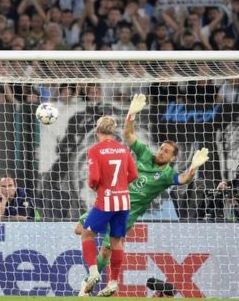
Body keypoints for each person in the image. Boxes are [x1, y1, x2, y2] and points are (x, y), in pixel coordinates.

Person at [75, 94, 209, 296]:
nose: (161, 152)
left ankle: (89, 284)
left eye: (166, 152)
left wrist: (192, 169)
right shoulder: (146, 154)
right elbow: (129, 136)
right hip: (111, 200)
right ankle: (97, 277)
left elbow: (182, 180)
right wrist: (131, 114)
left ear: (173, 158)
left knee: (106, 249)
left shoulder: (166, 175)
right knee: (79, 229)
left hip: (127, 211)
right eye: (162, 148)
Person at [80, 115, 138, 297]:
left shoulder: (95, 150)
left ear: (97, 131)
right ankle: (113, 282)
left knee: (86, 233)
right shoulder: (123, 149)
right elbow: (134, 175)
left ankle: (94, 272)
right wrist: (120, 184)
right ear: (113, 132)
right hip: (124, 201)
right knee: (116, 241)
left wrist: (93, 185)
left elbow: (94, 178)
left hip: (106, 200)